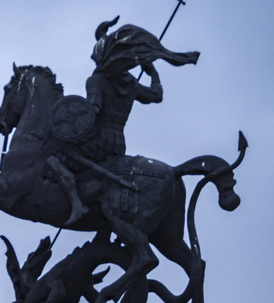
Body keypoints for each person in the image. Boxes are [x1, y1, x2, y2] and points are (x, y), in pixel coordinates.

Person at [50, 17, 199, 225]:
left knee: (55, 158)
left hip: (98, 140)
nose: (94, 62)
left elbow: (92, 111)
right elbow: (156, 95)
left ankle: (77, 204)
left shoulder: (96, 81)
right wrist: (153, 72)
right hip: (117, 142)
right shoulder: (132, 85)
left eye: (96, 58)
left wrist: (70, 120)